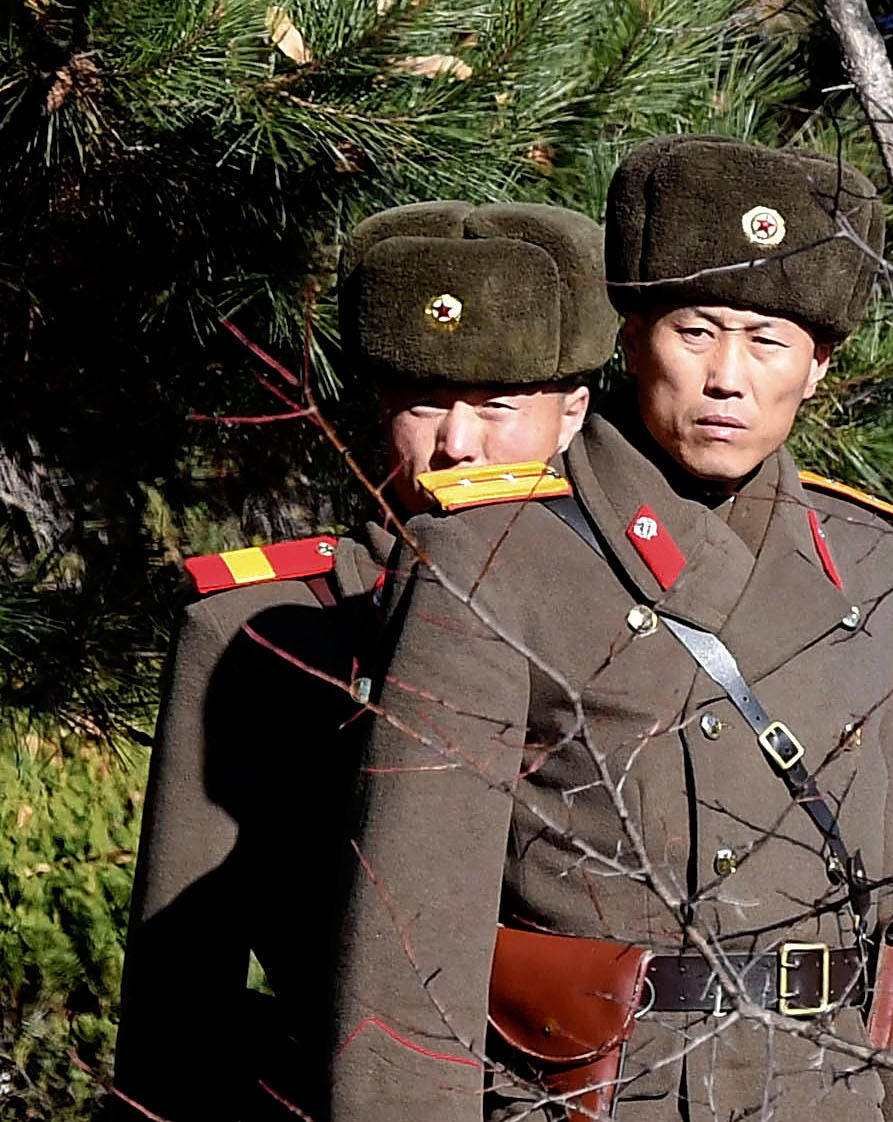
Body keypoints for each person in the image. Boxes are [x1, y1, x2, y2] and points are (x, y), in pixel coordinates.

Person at [328, 135, 893, 1122]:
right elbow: (413, 932)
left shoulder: (870, 560)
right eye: (696, 331)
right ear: (630, 335)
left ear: (818, 365)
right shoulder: (494, 558)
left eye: (768, 343)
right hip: (603, 1094)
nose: (727, 377)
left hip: (825, 1090)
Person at [113, 201, 611, 1122]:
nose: (457, 445)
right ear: (376, 406)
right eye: (424, 401)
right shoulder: (262, 625)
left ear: (573, 411)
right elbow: (183, 985)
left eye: (499, 406)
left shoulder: (640, 616)